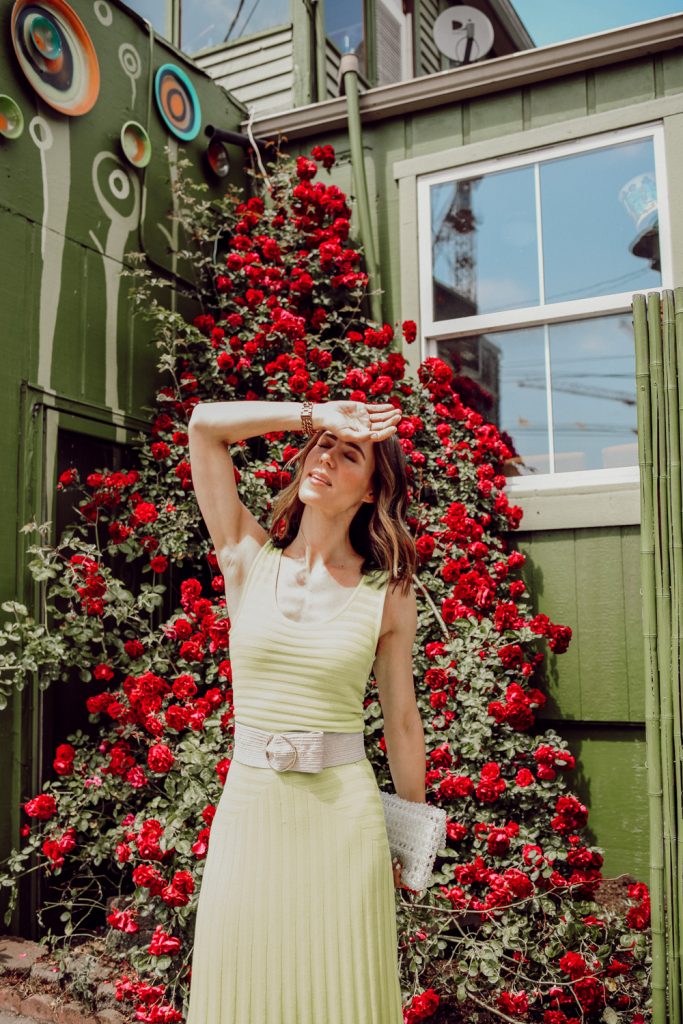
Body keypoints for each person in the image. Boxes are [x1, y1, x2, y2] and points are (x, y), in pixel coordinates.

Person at [184, 398, 427, 1024]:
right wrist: (317, 414)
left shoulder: (388, 590)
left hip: (345, 822)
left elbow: (401, 720)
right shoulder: (245, 554)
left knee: (341, 988)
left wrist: (412, 834)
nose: (326, 456)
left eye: (349, 454)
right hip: (250, 810)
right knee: (241, 984)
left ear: (374, 491)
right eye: (322, 445)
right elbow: (205, 428)